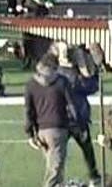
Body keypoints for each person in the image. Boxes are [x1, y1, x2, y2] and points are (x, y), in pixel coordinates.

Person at [24, 54, 77, 187]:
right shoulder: (62, 81)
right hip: (58, 129)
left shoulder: (31, 84)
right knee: (55, 170)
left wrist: (30, 133)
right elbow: (71, 106)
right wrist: (75, 124)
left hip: (41, 131)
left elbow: (28, 111)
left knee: (52, 166)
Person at [52, 42, 101, 185]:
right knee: (87, 151)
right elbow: (91, 87)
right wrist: (95, 70)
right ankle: (94, 177)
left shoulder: (56, 72)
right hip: (77, 119)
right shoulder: (73, 75)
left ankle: (55, 180)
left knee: (59, 154)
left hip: (61, 118)